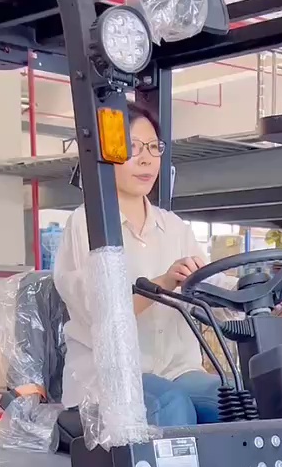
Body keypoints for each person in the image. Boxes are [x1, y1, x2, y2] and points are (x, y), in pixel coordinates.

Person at [54, 103, 225, 428]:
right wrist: (163, 283)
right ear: (105, 154)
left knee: (235, 400)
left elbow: (208, 284)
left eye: (152, 147)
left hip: (177, 371)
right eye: (132, 148)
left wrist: (250, 290)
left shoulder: (175, 227)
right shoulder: (87, 224)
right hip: (109, 377)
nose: (146, 159)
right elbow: (100, 310)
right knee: (173, 406)